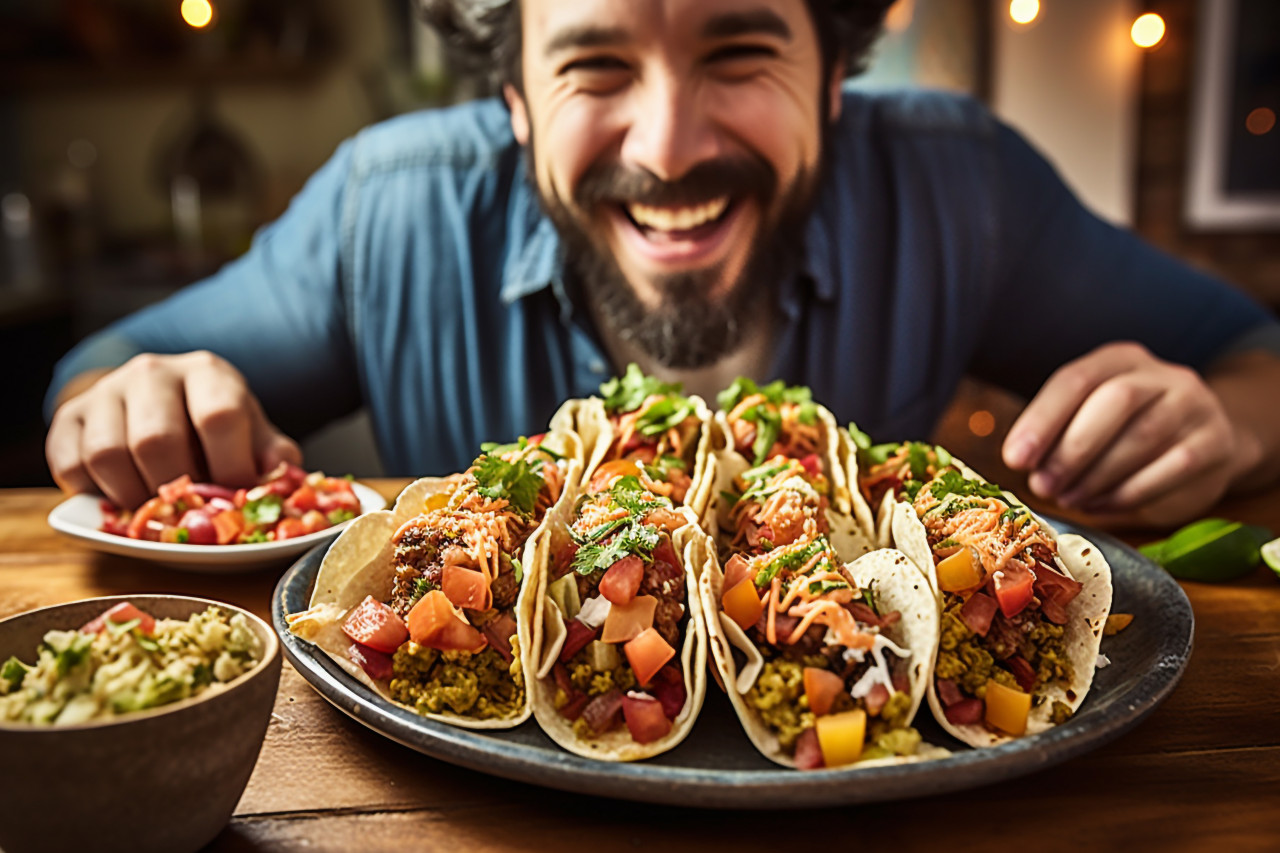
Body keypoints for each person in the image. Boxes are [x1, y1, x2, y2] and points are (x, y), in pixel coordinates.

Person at [43, 0, 1280, 528]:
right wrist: (128, 401)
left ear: (833, 74)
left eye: (739, 52)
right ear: (516, 101)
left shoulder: (963, 186)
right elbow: (103, 376)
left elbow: (1255, 356)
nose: (669, 147)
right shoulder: (388, 210)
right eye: (593, 68)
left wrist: (1219, 428)